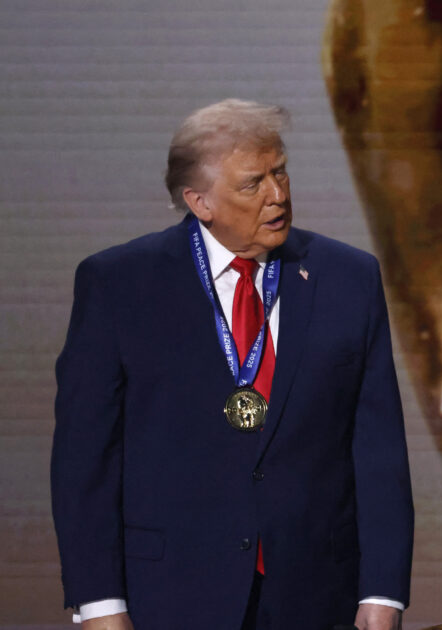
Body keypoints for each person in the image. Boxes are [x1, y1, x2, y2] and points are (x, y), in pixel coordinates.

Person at [51, 99, 414, 630]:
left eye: (281, 172)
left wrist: (383, 591)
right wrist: (100, 605)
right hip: (171, 596)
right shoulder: (120, 285)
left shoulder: (348, 278)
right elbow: (86, 461)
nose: (278, 196)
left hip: (316, 596)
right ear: (200, 202)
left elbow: (378, 448)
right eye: (253, 184)